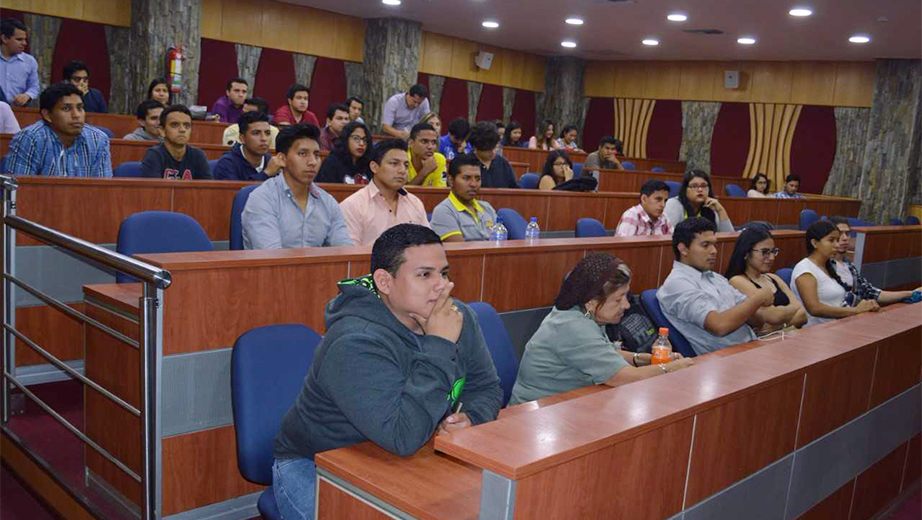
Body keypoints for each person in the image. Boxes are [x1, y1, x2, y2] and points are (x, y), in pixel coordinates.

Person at [272, 223, 502, 520]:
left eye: (443, 273)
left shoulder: (456, 317)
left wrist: (472, 417)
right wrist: (439, 344)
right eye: (424, 275)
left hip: (406, 454)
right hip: (318, 464)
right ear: (384, 281)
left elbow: (487, 387)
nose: (442, 286)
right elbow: (402, 437)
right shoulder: (354, 341)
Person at [509, 253, 694, 405]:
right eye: (618, 299)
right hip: (533, 416)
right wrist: (672, 368)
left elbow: (605, 353)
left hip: (564, 407)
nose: (627, 305)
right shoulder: (572, 326)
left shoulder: (585, 313)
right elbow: (627, 378)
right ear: (592, 301)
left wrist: (644, 359)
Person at [657, 218, 773, 355]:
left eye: (714, 245)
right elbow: (719, 326)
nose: (714, 251)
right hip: (721, 360)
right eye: (705, 245)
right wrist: (758, 298)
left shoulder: (716, 278)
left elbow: (758, 320)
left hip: (750, 347)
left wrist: (750, 308)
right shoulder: (677, 284)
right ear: (683, 249)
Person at [241, 124, 352, 249]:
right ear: (282, 159)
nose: (312, 162)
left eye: (316, 155)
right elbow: (271, 259)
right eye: (303, 154)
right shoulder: (262, 199)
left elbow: (345, 251)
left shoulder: (328, 202)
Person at [5, 83, 111, 177]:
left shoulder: (98, 140)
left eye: (80, 108)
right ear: (47, 115)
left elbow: (102, 191)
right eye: (66, 109)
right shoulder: (31, 139)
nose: (76, 115)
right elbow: (20, 191)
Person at [339, 139, 430, 246]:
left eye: (406, 165)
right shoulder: (353, 205)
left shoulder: (415, 203)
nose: (402, 170)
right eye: (394, 164)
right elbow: (350, 255)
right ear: (374, 167)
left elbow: (428, 245)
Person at [791, 220, 879, 327]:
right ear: (814, 243)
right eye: (831, 240)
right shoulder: (805, 269)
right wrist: (856, 310)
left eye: (837, 240)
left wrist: (865, 305)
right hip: (816, 333)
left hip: (837, 327)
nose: (837, 245)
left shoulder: (829, 266)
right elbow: (814, 309)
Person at [725, 226, 808, 332]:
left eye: (773, 251)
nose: (772, 257)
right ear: (746, 253)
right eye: (765, 252)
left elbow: (803, 314)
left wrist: (777, 326)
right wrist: (792, 314)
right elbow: (774, 316)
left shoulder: (774, 278)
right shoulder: (737, 281)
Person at [829, 216, 922, 306]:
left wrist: (911, 293)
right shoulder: (825, 265)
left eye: (848, 233)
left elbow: (870, 292)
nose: (845, 238)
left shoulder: (849, 266)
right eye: (840, 234)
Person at [430, 154, 499, 242]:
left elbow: (500, 241)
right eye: (466, 178)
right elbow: (462, 251)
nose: (473, 184)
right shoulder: (444, 211)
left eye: (477, 178)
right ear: (451, 180)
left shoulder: (487, 207)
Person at [139, 105, 212, 180]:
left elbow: (208, 189)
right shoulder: (154, 155)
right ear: (162, 131)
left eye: (187, 125)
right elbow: (153, 190)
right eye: (175, 125)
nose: (182, 130)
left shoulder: (198, 155)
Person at [212, 111, 282, 181]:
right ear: (242, 138)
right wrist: (266, 174)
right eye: (256, 133)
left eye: (267, 133)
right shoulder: (227, 163)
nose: (264, 138)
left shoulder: (272, 162)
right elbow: (237, 191)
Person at [664, 170, 734, 232]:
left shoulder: (710, 205)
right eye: (694, 186)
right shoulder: (674, 204)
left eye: (703, 186)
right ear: (685, 189)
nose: (700, 190)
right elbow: (668, 237)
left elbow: (728, 236)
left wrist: (720, 211)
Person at [316, 121, 372, 185]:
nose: (361, 143)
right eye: (356, 138)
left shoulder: (369, 164)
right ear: (346, 139)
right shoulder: (331, 162)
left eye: (364, 139)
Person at [0, 19, 39, 107]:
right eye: (19, 39)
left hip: (18, 111)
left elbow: (34, 87)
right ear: (4, 38)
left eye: (25, 39)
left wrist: (27, 95)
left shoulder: (30, 61)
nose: (24, 43)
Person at [469, 121, 517, 188]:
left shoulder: (503, 163)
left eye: (495, 147)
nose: (493, 152)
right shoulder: (465, 164)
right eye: (488, 150)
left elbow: (515, 189)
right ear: (475, 147)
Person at [406, 122, 446, 187]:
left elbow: (440, 192)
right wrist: (423, 173)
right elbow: (400, 194)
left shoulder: (439, 159)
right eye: (424, 141)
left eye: (433, 142)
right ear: (411, 143)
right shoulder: (402, 158)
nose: (430, 147)